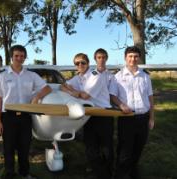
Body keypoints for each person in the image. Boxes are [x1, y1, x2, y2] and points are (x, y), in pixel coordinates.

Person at [0, 45, 52, 179]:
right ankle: (9, 174)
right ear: (11, 57)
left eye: (22, 56)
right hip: (8, 116)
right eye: (16, 56)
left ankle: (24, 173)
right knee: (8, 148)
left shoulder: (31, 75)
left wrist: (37, 97)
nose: (19, 58)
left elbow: (47, 88)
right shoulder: (2, 76)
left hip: (25, 116)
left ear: (25, 58)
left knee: (24, 147)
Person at [61, 51, 114, 179]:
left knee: (106, 147)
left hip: (103, 113)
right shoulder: (78, 77)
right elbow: (63, 86)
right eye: (77, 63)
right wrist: (75, 91)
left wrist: (74, 92)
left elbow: (85, 96)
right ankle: (98, 172)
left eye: (82, 63)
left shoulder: (95, 75)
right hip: (89, 114)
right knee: (90, 146)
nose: (80, 65)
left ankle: (108, 173)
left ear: (88, 63)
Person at [110, 46, 154, 179]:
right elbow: (112, 96)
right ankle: (120, 174)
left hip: (143, 118)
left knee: (138, 148)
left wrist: (151, 118)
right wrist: (121, 104)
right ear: (125, 58)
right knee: (125, 150)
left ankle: (133, 171)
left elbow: (150, 97)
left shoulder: (145, 76)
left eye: (135, 56)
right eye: (130, 56)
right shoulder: (117, 76)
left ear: (139, 58)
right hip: (127, 118)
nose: (133, 59)